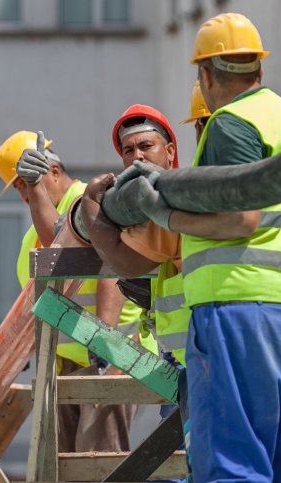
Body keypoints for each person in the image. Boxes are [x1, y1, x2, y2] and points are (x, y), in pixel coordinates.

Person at [129, 13, 281, 482]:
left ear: (204, 76)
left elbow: (240, 219)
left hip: (240, 313)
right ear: (258, 69)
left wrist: (167, 216)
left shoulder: (230, 124)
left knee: (234, 463)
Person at [0, 131, 135, 452]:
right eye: (19, 186)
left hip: (109, 352)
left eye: (30, 182)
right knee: (67, 466)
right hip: (64, 361)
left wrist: (106, 346)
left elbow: (98, 263)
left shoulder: (90, 200)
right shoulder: (34, 230)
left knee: (97, 463)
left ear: (54, 171)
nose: (26, 194)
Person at [80, 104, 188, 367]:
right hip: (185, 352)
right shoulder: (172, 197)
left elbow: (123, 263)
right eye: (128, 150)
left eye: (146, 146)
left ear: (170, 151)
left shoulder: (167, 201)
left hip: (197, 352)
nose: (137, 156)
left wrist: (91, 204)